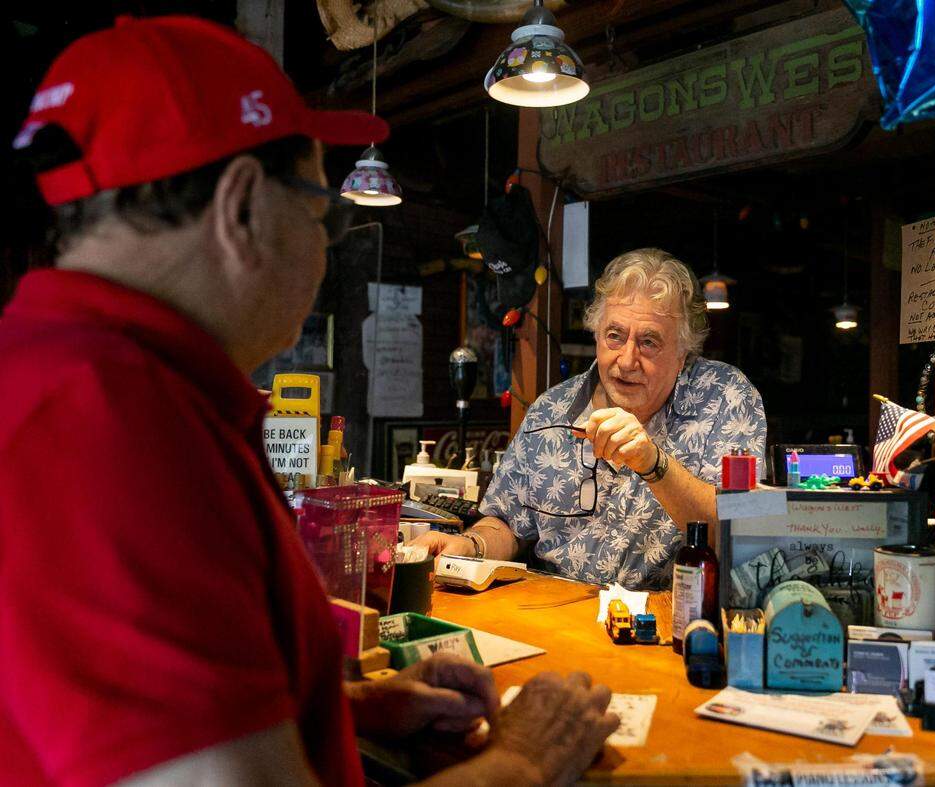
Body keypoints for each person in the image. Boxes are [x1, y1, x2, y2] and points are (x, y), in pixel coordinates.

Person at [0, 16, 616, 786]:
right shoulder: (115, 434)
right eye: (324, 212)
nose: (329, 245)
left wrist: (341, 707)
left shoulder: (72, 377)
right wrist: (525, 759)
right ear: (244, 208)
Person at [415, 248, 766, 589]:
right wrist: (470, 547)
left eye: (649, 342)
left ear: (683, 351)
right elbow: (507, 523)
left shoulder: (725, 398)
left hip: (667, 621)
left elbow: (744, 531)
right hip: (557, 620)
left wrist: (654, 465)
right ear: (596, 333)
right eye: (615, 336)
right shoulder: (550, 412)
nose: (627, 360)